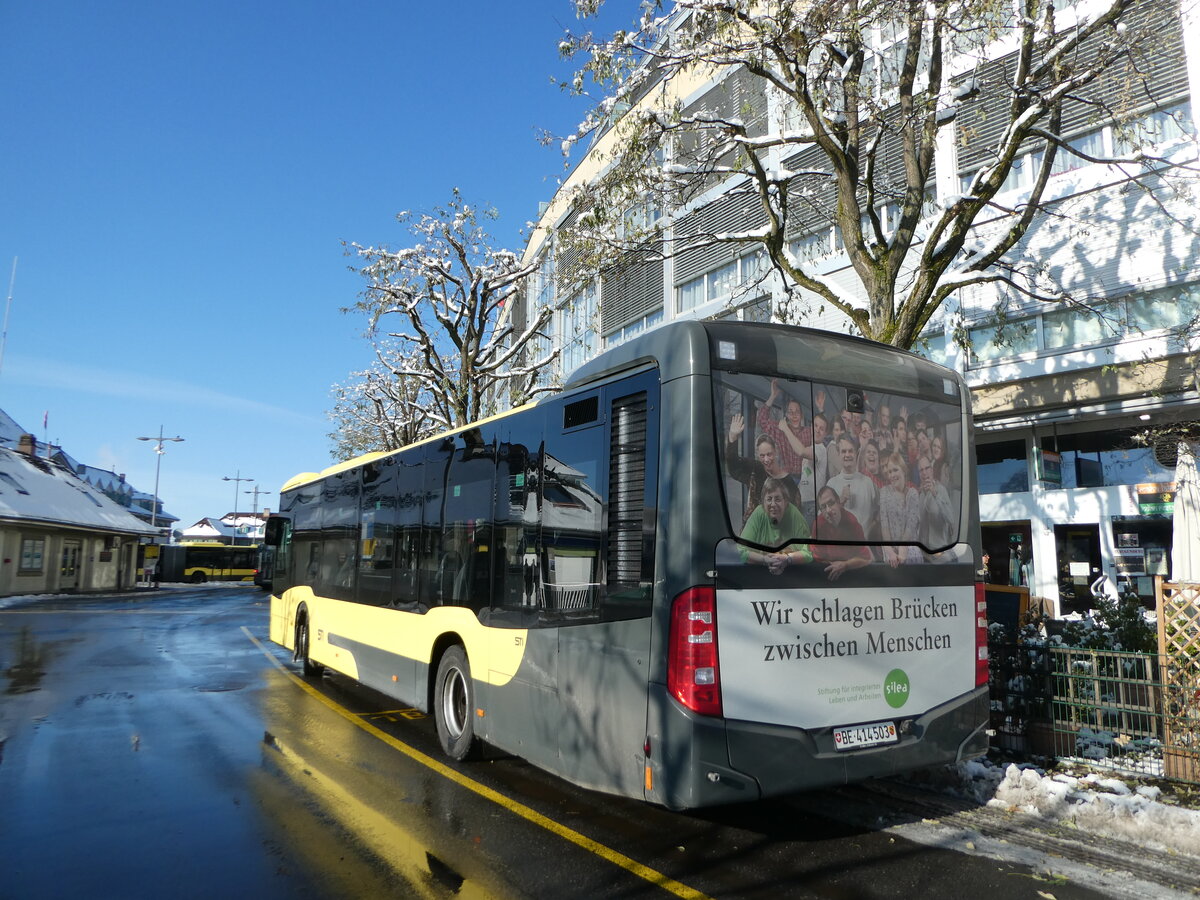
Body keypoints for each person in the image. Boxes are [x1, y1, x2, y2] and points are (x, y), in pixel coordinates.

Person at [725, 414, 799, 522]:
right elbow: (734, 468)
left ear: (776, 452)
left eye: (769, 454)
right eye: (762, 456)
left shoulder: (788, 481)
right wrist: (732, 437)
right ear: (758, 456)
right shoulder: (755, 469)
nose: (766, 459)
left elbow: (795, 512)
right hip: (756, 527)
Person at [739, 478, 812, 574]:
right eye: (769, 499)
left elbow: (809, 552)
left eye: (777, 499)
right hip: (760, 573)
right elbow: (741, 550)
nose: (773, 504)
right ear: (763, 502)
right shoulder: (759, 514)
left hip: (792, 574)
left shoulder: (794, 514)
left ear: (786, 502)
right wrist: (764, 559)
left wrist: (787, 559)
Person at [812, 486, 872, 580]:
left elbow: (866, 559)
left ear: (839, 502)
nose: (828, 510)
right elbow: (817, 557)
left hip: (851, 574)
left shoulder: (852, 522)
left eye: (831, 503)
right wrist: (834, 566)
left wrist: (845, 565)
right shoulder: (818, 524)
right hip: (827, 574)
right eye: (823, 507)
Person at [825, 434, 878, 536]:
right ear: (838, 454)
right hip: (841, 543)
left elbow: (881, 509)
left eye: (850, 451)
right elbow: (824, 519)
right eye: (843, 451)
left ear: (856, 453)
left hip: (864, 543)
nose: (847, 455)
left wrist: (872, 528)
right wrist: (839, 502)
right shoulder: (831, 484)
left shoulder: (868, 482)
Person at [878, 451, 922, 567]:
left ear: (903, 470)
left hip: (910, 546)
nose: (892, 475)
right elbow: (884, 525)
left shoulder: (913, 494)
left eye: (895, 470)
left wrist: (903, 547)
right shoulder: (884, 492)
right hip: (890, 549)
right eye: (889, 472)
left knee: (910, 557)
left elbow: (911, 525)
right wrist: (890, 551)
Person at [917, 454, 956, 551]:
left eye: (927, 468)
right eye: (921, 470)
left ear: (932, 470)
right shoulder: (919, 494)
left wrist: (935, 494)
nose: (924, 473)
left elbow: (951, 519)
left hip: (940, 549)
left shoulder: (941, 490)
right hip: (922, 550)